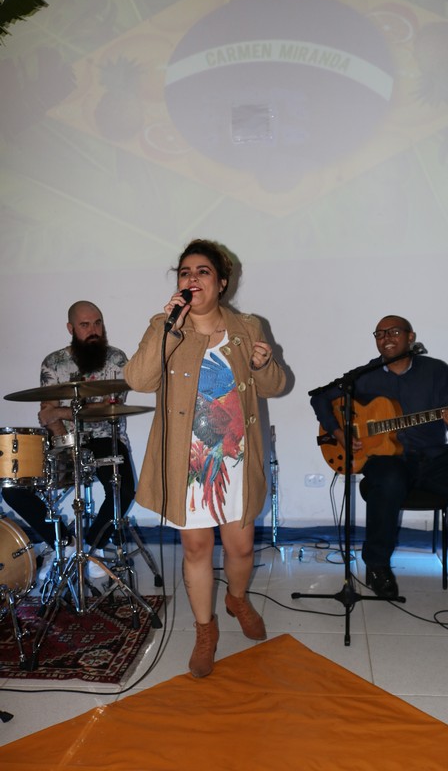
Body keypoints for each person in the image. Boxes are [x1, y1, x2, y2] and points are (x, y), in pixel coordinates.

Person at [124, 239, 286, 678]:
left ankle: (237, 598)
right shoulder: (166, 325)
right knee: (196, 547)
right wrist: (168, 327)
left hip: (235, 457)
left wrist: (262, 365)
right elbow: (138, 379)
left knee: (241, 546)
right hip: (189, 461)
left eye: (202, 272)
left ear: (222, 282)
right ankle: (204, 629)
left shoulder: (247, 327)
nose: (192, 279)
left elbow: (275, 386)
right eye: (185, 272)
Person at [310, 315, 448, 600]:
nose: (386, 338)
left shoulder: (436, 371)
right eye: (380, 333)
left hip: (433, 455)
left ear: (410, 337)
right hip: (386, 459)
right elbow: (319, 398)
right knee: (389, 481)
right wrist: (339, 433)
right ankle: (377, 566)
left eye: (394, 332)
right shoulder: (365, 375)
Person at [1, 301, 135, 578]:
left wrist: (62, 412)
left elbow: (108, 409)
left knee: (123, 490)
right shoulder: (53, 363)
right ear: (71, 328)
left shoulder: (117, 359)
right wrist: (67, 445)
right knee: (13, 489)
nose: (93, 330)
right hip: (64, 438)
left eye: (97, 323)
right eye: (85, 325)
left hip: (105, 437)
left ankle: (93, 547)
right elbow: (47, 415)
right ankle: (64, 544)